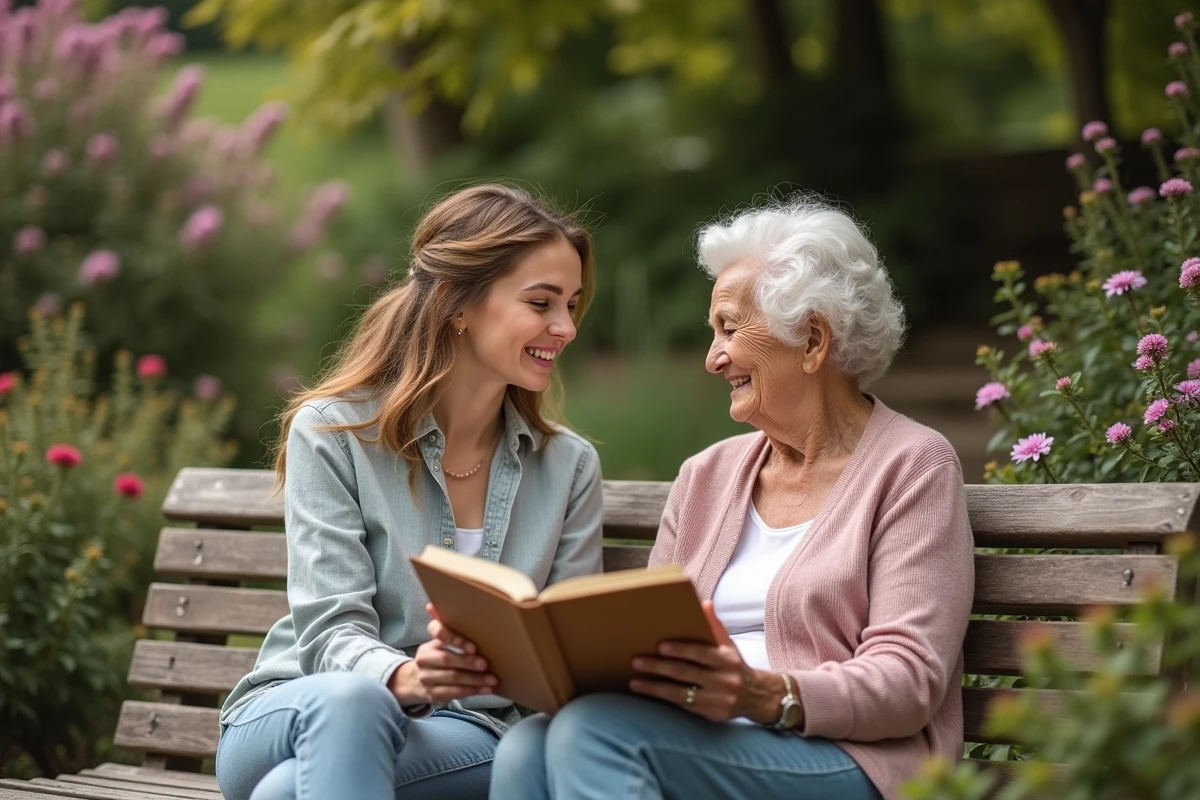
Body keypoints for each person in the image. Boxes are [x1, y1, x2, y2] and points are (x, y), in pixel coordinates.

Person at [491, 199, 975, 800]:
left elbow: (908, 680)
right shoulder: (707, 475)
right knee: (525, 743)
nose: (712, 358)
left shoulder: (911, 467)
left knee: (597, 735)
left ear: (812, 340)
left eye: (729, 329)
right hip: (700, 738)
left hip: (851, 758)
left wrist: (765, 695)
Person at [214, 184, 605, 800]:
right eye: (541, 303)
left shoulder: (569, 467)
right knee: (352, 703)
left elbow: (570, 655)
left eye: (572, 305)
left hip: (472, 733)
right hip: (295, 706)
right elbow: (329, 631)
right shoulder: (334, 434)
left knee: (287, 793)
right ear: (458, 303)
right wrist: (408, 675)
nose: (565, 328)